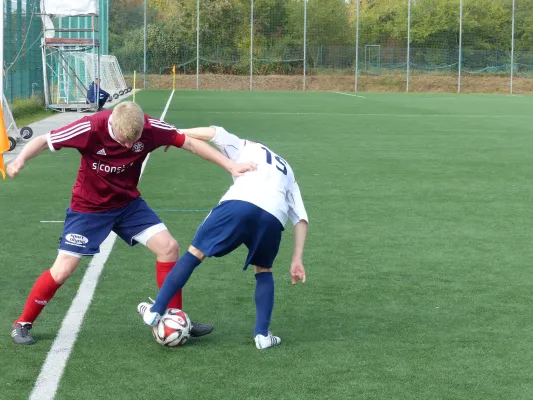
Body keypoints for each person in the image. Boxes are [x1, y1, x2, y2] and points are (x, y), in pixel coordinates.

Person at [7, 103, 255, 345]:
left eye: (132, 142)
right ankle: (23, 323)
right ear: (112, 122)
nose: (128, 146)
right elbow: (42, 140)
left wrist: (230, 165)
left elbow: (188, 142)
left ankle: (175, 318)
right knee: (62, 270)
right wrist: (20, 160)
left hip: (127, 204)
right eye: (123, 140)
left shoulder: (150, 128)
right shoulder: (90, 128)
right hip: (88, 208)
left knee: (168, 247)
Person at [138, 126, 308, 350]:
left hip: (240, 203)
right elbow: (301, 219)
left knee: (195, 253)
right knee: (263, 270)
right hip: (273, 217)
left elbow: (214, 132)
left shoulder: (246, 146)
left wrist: (175, 133)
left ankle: (155, 310)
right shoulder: (288, 171)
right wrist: (297, 259)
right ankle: (262, 335)